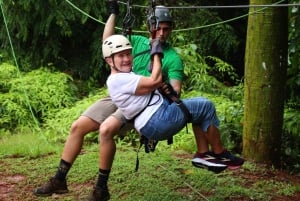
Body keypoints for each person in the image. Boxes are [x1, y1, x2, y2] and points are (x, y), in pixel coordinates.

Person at [33, 2, 243, 201]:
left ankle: (100, 188)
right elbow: (108, 43)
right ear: (150, 27)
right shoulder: (138, 42)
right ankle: (59, 179)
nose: (162, 33)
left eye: (166, 29)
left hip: (144, 99)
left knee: (106, 129)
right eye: (158, 28)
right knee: (77, 127)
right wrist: (113, 13)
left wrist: (159, 82)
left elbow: (176, 90)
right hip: (123, 91)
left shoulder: (171, 57)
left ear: (171, 31)